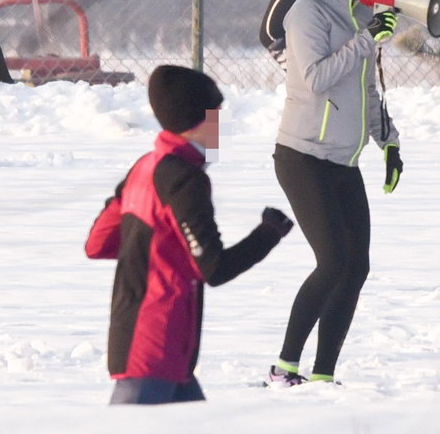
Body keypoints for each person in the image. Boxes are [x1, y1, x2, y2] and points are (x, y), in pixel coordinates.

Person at [85, 65, 294, 405]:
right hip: (155, 345)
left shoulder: (145, 167)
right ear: (197, 120)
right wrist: (268, 233)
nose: (222, 126)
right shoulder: (185, 180)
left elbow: (99, 243)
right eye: (217, 115)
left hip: (155, 345)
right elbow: (214, 268)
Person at [266, 0, 402, 386]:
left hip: (343, 160)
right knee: (332, 263)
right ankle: (284, 367)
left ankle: (323, 375)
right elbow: (316, 77)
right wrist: (368, 40)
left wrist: (389, 141)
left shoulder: (355, 12)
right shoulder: (307, 12)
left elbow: (363, 86)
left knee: (356, 266)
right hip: (302, 156)